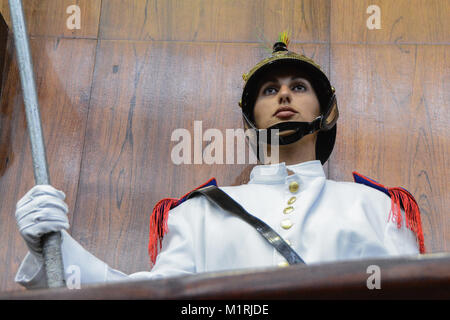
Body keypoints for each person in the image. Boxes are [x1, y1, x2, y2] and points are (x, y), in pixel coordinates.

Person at [14, 33, 425, 289]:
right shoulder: (198, 214)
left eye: (298, 87)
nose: (283, 96)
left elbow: (414, 291)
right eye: (268, 91)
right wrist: (54, 249)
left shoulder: (378, 207)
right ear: (250, 123)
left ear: (326, 113)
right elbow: (154, 296)